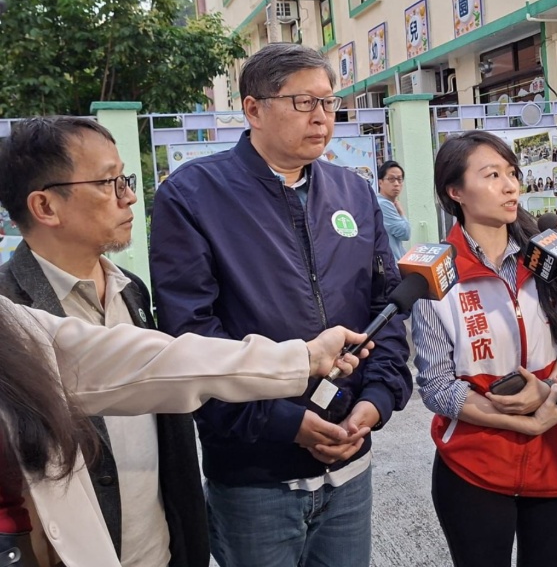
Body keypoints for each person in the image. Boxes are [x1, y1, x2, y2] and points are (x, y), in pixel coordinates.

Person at [150, 43, 412, 567]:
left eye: (329, 103)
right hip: (254, 476)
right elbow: (193, 337)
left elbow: (385, 306)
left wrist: (375, 402)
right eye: (303, 103)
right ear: (253, 109)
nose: (321, 117)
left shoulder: (353, 193)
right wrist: (283, 422)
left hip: (350, 461)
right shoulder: (193, 196)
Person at [0, 293, 367, 567]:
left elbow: (148, 362)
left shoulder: (12, 324)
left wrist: (301, 358)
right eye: (110, 184)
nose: (127, 197)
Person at [0, 116, 203, 567]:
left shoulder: (132, 289)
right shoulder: (9, 314)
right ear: (46, 207)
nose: (129, 195)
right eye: (110, 182)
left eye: (125, 179)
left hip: (161, 550)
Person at [410, 130, 557, 567]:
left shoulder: (548, 259)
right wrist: (511, 420)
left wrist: (556, 385)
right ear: (456, 192)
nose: (510, 186)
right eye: (492, 175)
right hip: (474, 465)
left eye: (512, 173)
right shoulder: (433, 273)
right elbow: (435, 386)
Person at [376, 160, 410, 261]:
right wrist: (402, 213)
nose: (396, 184)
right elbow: (405, 233)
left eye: (399, 179)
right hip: (390, 266)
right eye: (391, 179)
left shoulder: (386, 203)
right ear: (380, 182)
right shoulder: (383, 204)